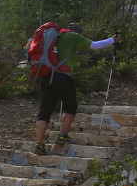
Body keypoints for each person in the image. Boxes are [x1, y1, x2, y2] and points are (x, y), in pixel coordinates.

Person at [33, 23, 122, 155]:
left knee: (44, 113)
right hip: (63, 77)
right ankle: (62, 135)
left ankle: (39, 144)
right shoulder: (73, 37)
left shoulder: (53, 37)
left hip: (46, 77)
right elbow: (96, 45)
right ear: (78, 32)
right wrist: (113, 40)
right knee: (70, 107)